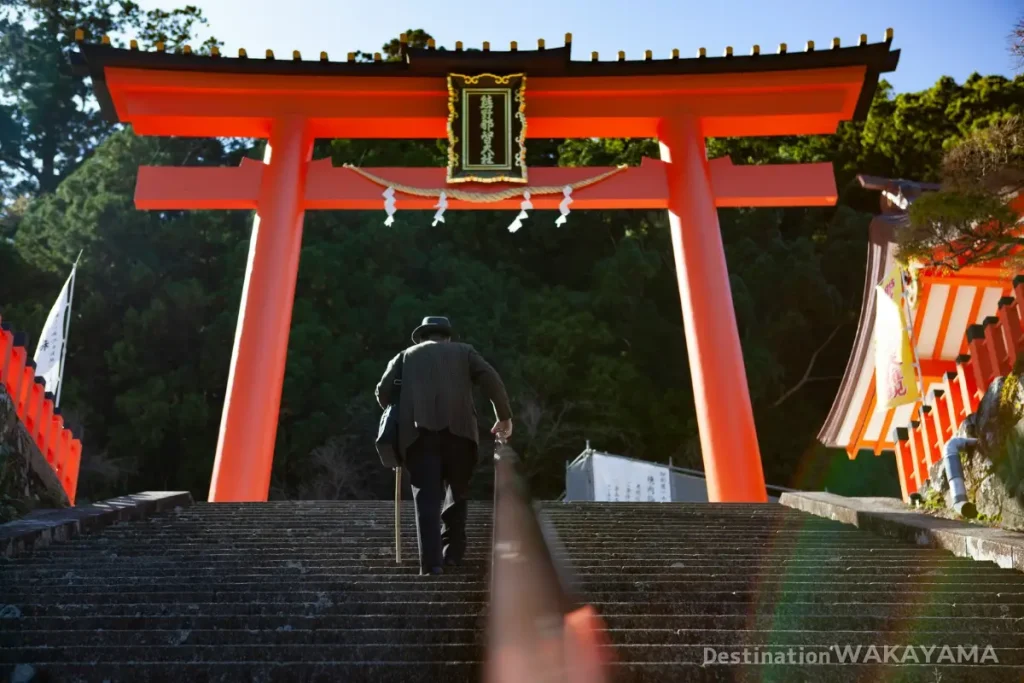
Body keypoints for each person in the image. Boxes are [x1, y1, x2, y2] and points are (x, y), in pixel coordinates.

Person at [376, 316, 513, 576]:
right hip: (461, 434)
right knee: (457, 494)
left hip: (418, 436)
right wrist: (503, 416)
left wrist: (401, 406)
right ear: (447, 336)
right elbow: (491, 379)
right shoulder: (465, 352)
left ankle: (431, 564)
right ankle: (453, 554)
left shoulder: (405, 356)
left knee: (426, 500)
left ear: (423, 335)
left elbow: (382, 392)